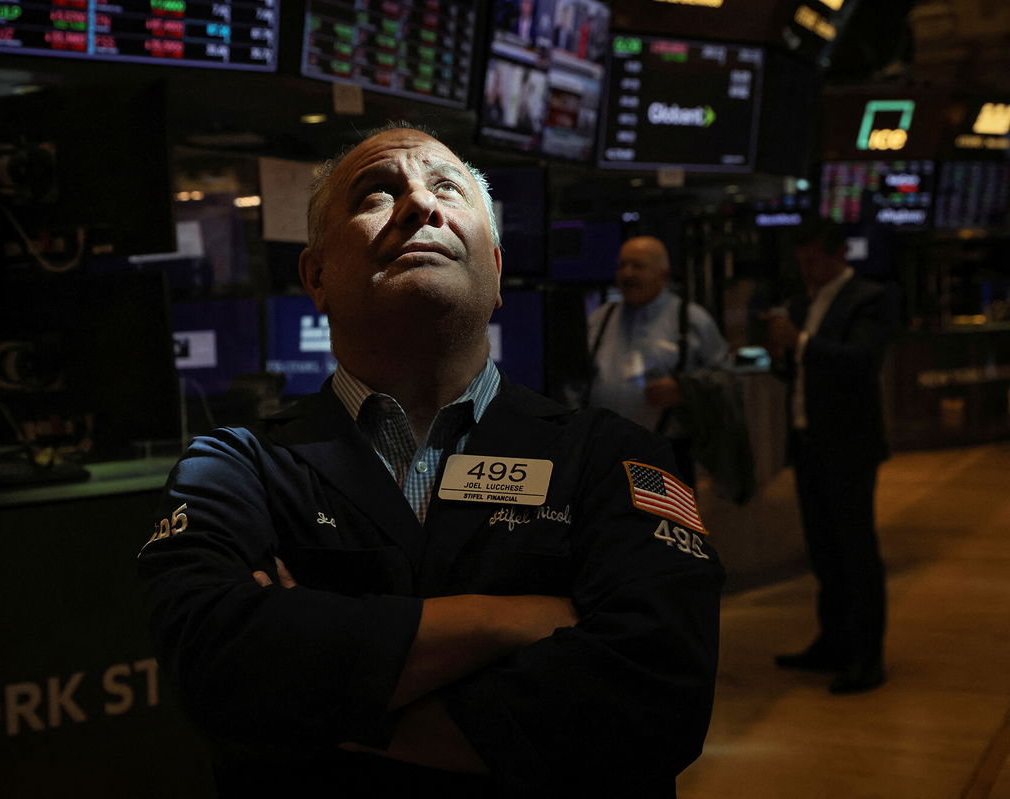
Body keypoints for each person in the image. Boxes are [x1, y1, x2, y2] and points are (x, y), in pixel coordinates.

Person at [137, 125, 724, 797]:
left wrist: (322, 699)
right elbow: (215, 666)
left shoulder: (613, 453)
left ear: (496, 271)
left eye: (448, 187)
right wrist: (507, 618)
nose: (420, 204)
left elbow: (658, 701)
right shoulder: (233, 466)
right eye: (377, 193)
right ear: (317, 275)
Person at [763, 219, 895, 695]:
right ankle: (833, 643)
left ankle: (867, 657)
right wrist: (781, 353)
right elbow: (797, 374)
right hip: (809, 442)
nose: (806, 269)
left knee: (856, 553)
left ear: (839, 255)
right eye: (800, 261)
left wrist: (797, 341)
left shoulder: (869, 297)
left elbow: (860, 361)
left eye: (813, 259)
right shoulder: (803, 302)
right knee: (824, 553)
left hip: (849, 445)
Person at [585, 236, 729, 485]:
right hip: (605, 453)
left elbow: (727, 379)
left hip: (666, 454)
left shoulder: (691, 320)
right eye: (622, 265)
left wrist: (684, 388)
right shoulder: (600, 318)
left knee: (662, 524)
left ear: (664, 275)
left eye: (638, 266)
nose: (627, 274)